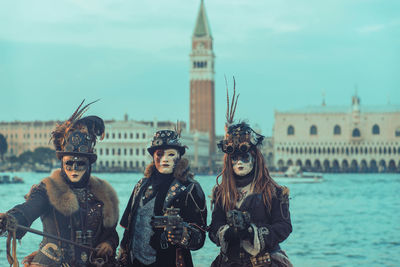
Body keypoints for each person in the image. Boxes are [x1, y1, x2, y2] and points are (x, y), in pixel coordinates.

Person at [0, 101, 119, 267]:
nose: (74, 169)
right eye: (69, 163)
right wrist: (10, 218)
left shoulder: (103, 195)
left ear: (89, 165)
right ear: (62, 164)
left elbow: (110, 233)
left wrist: (108, 244)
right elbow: (29, 209)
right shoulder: (48, 189)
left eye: (80, 164)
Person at [208, 85, 292, 267]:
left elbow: (284, 227)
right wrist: (227, 233)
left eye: (244, 157)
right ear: (228, 161)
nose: (239, 162)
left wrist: (251, 232)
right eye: (234, 158)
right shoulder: (222, 192)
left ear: (254, 157)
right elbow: (214, 228)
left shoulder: (274, 191)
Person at [118, 129, 207, 267]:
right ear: (153, 157)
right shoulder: (141, 185)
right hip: (133, 262)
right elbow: (129, 228)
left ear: (179, 156)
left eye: (170, 154)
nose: (165, 159)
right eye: (160, 154)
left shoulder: (190, 188)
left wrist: (183, 233)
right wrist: (122, 256)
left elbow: (200, 236)